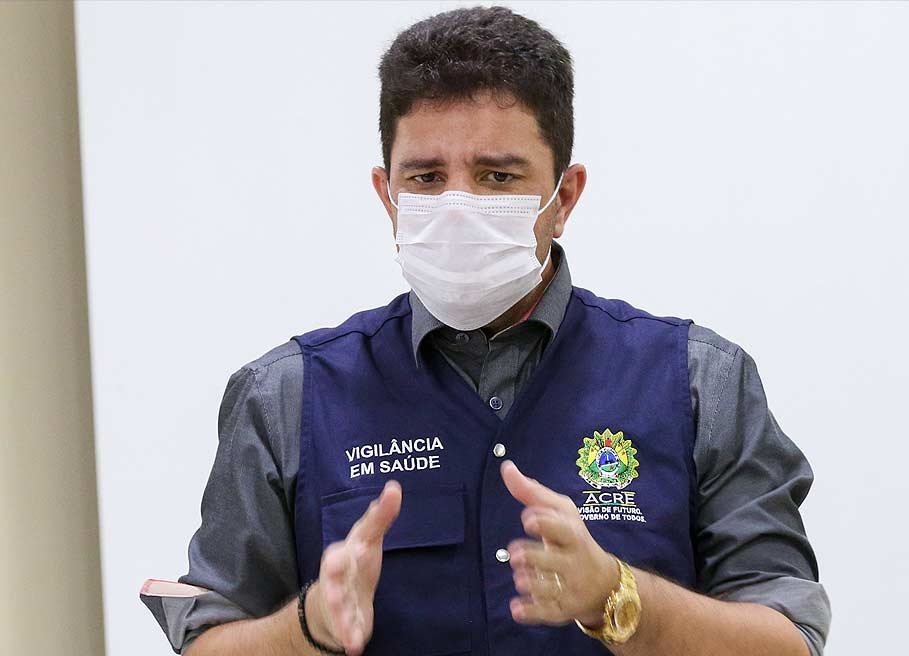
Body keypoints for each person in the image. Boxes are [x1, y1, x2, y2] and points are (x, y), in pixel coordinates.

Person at [144, 6, 830, 656]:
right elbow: (209, 640)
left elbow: (788, 639)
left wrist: (616, 596)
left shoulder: (697, 383)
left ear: (563, 198)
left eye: (497, 176)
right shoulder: (287, 397)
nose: (457, 207)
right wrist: (310, 625)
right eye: (426, 177)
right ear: (387, 196)